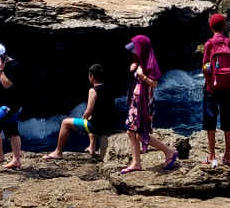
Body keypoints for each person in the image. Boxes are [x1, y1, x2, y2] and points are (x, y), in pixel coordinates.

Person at [120, 35, 178, 173]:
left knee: (137, 133)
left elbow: (154, 83)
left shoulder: (150, 63)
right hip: (137, 102)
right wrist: (134, 69)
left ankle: (167, 153)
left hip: (144, 104)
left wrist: (142, 76)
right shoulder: (140, 62)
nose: (133, 52)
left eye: (135, 49)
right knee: (134, 133)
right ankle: (138, 162)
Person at [45, 64, 117, 160]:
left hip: (98, 126)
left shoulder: (93, 90)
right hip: (109, 125)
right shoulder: (109, 88)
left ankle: (58, 152)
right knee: (92, 118)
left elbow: (88, 110)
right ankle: (92, 147)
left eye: (89, 75)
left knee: (65, 123)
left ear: (92, 76)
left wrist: (83, 118)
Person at [202, 13, 230, 166]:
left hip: (212, 87)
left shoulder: (209, 44)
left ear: (211, 27)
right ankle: (227, 156)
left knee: (210, 121)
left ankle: (212, 155)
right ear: (224, 26)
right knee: (227, 121)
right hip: (228, 88)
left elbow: (204, 65)